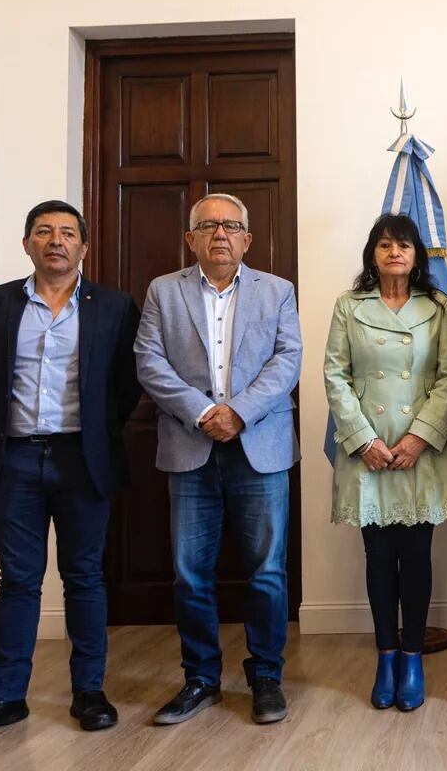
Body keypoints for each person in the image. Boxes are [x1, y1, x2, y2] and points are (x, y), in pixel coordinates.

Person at [0, 200, 141, 743]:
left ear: (83, 246)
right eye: (43, 232)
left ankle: (89, 691)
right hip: (15, 459)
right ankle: (6, 698)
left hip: (84, 460)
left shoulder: (114, 307)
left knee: (84, 577)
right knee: (19, 580)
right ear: (27, 243)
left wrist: (96, 435)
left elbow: (126, 387)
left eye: (66, 233)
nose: (55, 241)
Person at [134, 193, 303, 726]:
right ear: (191, 239)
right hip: (190, 445)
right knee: (189, 574)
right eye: (208, 226)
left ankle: (266, 676)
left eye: (231, 226)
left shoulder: (277, 291)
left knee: (267, 573)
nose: (220, 234)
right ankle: (201, 679)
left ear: (247, 239)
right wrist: (205, 411)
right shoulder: (164, 290)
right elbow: (149, 360)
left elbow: (287, 359)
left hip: (261, 446)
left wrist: (240, 413)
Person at [323, 213, 447, 712]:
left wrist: (418, 438)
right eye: (384, 245)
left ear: (417, 254)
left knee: (417, 558)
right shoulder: (349, 306)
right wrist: (363, 440)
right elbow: (335, 375)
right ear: (372, 254)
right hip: (369, 453)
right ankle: (385, 655)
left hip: (418, 451)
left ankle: (412, 657)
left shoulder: (439, 306)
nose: (394, 253)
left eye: (403, 244)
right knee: (379, 558)